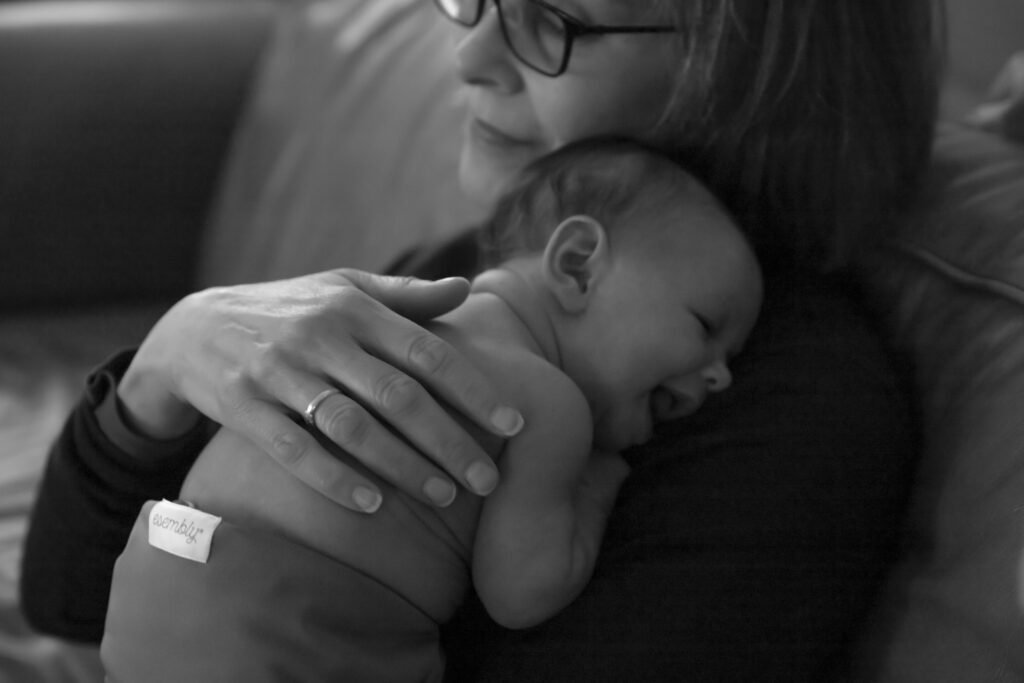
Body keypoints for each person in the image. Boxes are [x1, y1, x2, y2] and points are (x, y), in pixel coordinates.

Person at [21, 0, 939, 680]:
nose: (468, 52)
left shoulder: (797, 416)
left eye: (553, 19)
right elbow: (66, 598)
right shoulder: (469, 274)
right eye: (481, 0)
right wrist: (169, 362)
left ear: (744, 65)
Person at [99, 139, 762, 682]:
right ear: (580, 264)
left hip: (158, 575)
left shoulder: (363, 313)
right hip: (300, 629)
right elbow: (522, 592)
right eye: (706, 326)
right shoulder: (549, 404)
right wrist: (596, 488)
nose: (721, 376)